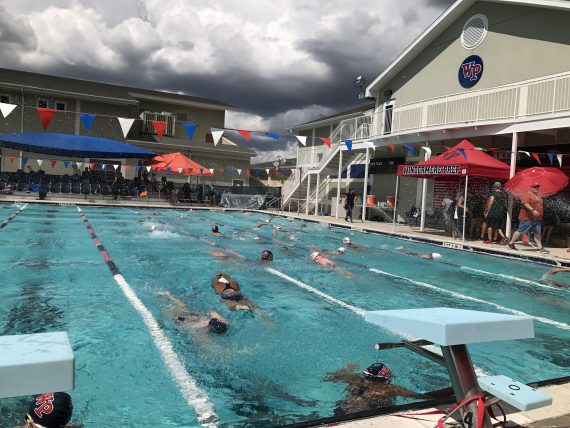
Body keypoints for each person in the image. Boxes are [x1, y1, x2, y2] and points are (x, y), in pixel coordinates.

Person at [324, 363, 423, 416]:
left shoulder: (355, 378)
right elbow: (418, 397)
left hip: (340, 408)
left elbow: (328, 378)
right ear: (383, 380)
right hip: (357, 416)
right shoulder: (390, 388)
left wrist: (346, 369)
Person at [157, 290, 228, 334]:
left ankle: (167, 295)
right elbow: (213, 314)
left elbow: (187, 326)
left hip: (183, 322)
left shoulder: (200, 325)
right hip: (189, 320)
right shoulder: (210, 323)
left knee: (180, 308)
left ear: (209, 327)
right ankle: (168, 295)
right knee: (183, 307)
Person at [507, 183, 548, 253]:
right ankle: (510, 244)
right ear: (531, 188)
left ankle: (540, 248)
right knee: (520, 231)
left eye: (537, 187)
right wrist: (533, 210)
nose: (536, 188)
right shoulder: (527, 194)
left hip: (537, 218)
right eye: (535, 187)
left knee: (537, 233)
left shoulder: (538, 195)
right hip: (527, 218)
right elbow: (525, 203)